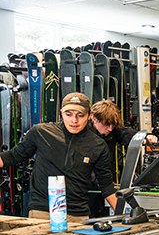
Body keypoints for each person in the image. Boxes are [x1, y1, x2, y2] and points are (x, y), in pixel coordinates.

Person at [0, 92, 117, 221]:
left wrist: (126, 217)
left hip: (77, 215)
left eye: (80, 115)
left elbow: (106, 186)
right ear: (61, 113)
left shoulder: (98, 145)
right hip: (42, 213)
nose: (74, 121)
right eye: (68, 115)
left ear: (89, 116)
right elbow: (12, 156)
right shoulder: (41, 133)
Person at [88, 100, 158, 217]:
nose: (110, 129)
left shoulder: (111, 131)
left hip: (106, 186)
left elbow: (125, 133)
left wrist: (143, 137)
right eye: (106, 124)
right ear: (94, 118)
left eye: (112, 125)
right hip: (87, 190)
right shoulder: (84, 134)